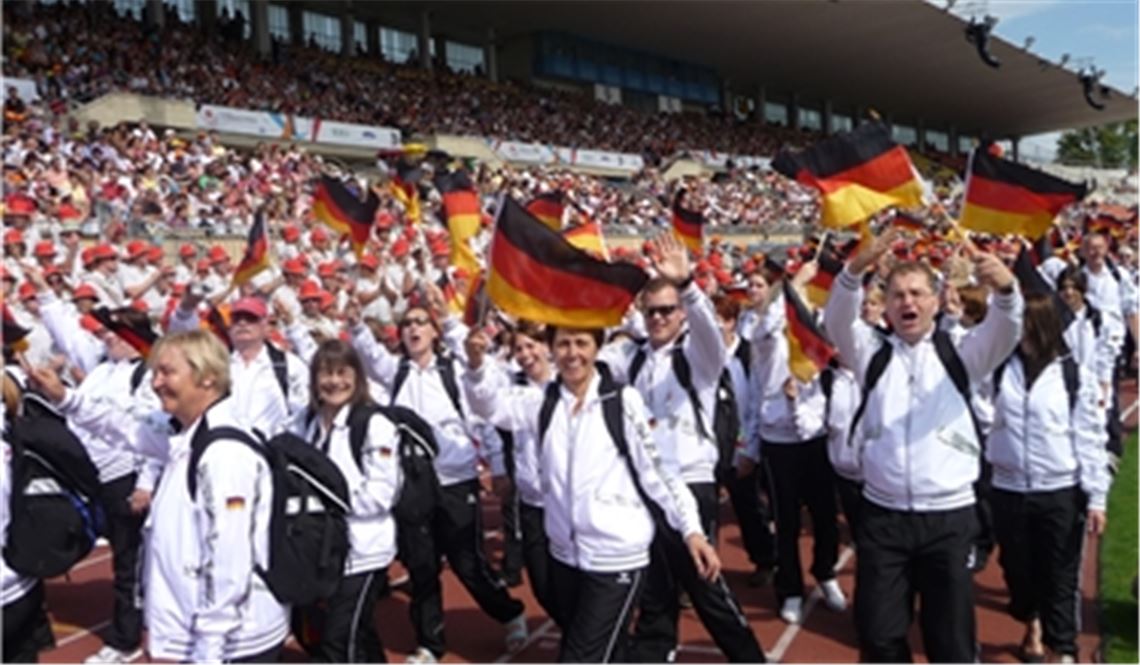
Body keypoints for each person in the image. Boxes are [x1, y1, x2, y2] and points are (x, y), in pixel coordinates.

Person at [23, 330, 289, 662]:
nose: (156, 382)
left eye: (167, 372)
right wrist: (65, 397)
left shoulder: (224, 454)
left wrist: (210, 649)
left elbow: (228, 560)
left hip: (234, 642)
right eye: (154, 372)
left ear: (207, 377)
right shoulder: (187, 433)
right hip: (204, 634)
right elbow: (124, 427)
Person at [463, 324, 719, 662]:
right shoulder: (542, 401)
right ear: (552, 350)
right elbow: (490, 407)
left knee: (580, 657)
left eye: (582, 343)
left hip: (616, 557)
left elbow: (661, 472)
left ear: (597, 348)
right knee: (601, 651)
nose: (573, 354)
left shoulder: (623, 402)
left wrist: (692, 530)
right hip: (566, 557)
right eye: (564, 344)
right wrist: (477, 364)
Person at [824, 229, 1024, 662]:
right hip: (883, 515)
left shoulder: (963, 353)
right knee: (878, 635)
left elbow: (1006, 329)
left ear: (936, 300)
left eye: (916, 293)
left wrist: (1006, 290)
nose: (907, 303)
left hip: (948, 519)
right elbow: (835, 320)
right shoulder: (870, 352)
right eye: (897, 295)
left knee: (949, 642)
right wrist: (854, 270)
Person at [600, 233, 763, 663]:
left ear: (681, 314)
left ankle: (749, 657)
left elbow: (709, 333)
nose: (658, 319)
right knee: (653, 586)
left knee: (704, 585)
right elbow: (582, 363)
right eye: (651, 311)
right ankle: (656, 652)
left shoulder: (698, 357)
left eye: (668, 311)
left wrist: (688, 285)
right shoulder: (628, 358)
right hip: (644, 489)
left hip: (690, 481)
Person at [347, 292, 526, 663]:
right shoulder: (395, 371)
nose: (413, 329)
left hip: (456, 482)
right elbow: (368, 351)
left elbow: (484, 420)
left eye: (420, 322)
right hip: (412, 487)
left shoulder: (454, 372)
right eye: (407, 323)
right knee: (422, 565)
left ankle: (509, 612)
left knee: (468, 564)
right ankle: (430, 642)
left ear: (433, 332)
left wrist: (499, 468)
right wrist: (354, 323)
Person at [986, 292, 1109, 663]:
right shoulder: (998, 370)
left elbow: (1089, 436)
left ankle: (1064, 648)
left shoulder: (1073, 376)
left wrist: (1097, 496)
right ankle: (1030, 616)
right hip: (1009, 488)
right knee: (1017, 570)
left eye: (1028, 326)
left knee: (1060, 573)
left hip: (1059, 489)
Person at [291, 340, 403, 663]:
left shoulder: (373, 424)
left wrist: (330, 500)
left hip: (365, 551)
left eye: (343, 372)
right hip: (326, 551)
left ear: (357, 377)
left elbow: (382, 494)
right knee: (360, 633)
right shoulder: (306, 423)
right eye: (325, 373)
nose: (334, 381)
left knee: (338, 642)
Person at [746, 270, 843, 624]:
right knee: (785, 522)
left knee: (824, 517)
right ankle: (789, 590)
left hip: (815, 435)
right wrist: (789, 288)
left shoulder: (815, 327)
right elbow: (770, 324)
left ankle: (825, 571)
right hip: (778, 440)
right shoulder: (764, 334)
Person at [169, 294, 309, 436]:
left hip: (272, 452)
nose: (243, 324)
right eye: (237, 319)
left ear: (265, 325)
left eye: (251, 319)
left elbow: (301, 414)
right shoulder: (216, 366)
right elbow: (179, 339)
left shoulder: (288, 365)